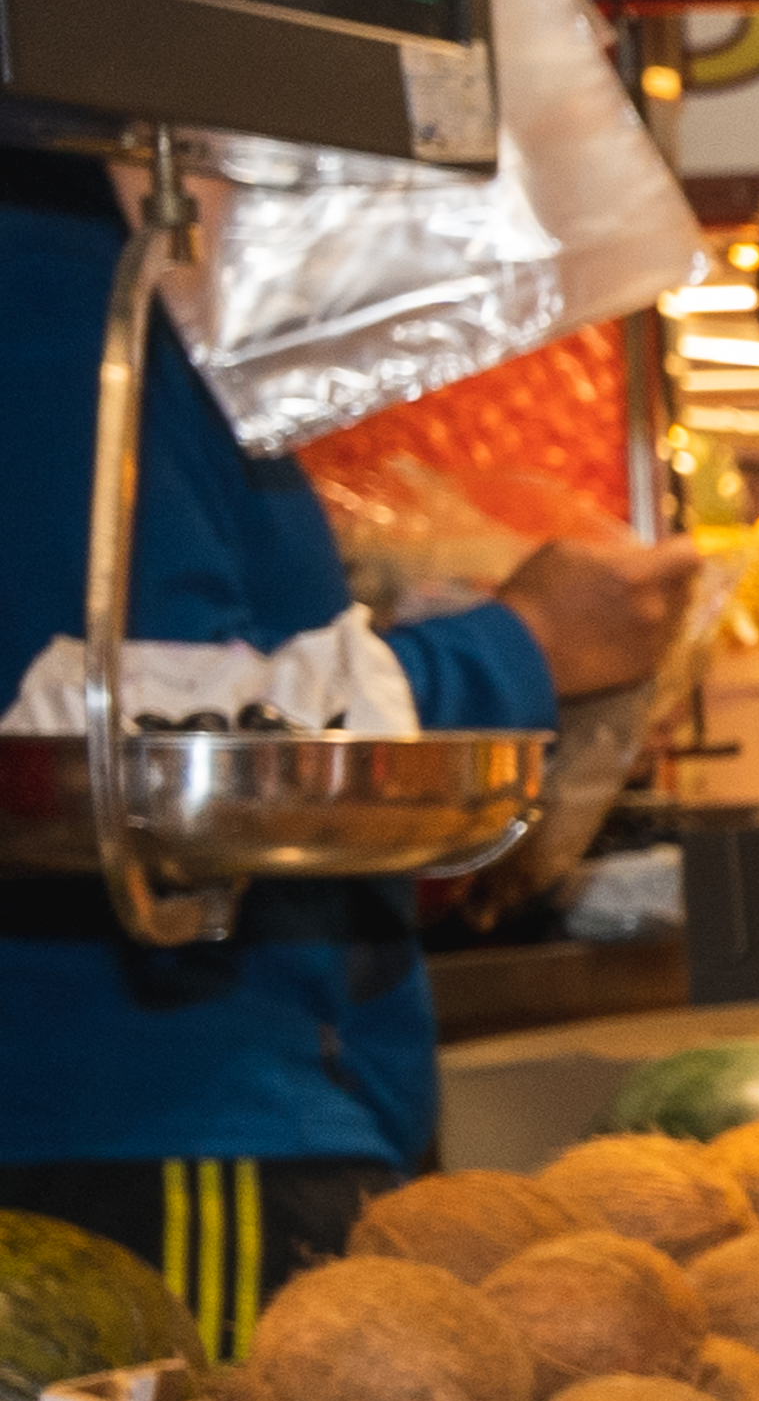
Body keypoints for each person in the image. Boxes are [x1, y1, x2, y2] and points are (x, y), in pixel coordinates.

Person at [0, 166, 694, 1326]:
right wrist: (521, 652)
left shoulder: (135, 304)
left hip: (210, 1096)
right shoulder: (66, 294)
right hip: (163, 1105)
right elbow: (140, 732)